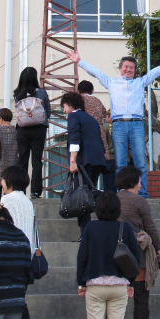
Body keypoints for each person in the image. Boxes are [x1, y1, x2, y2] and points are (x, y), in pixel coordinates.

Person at [68, 49, 160, 198]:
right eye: (126, 67)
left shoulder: (140, 82)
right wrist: (79, 61)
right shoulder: (111, 83)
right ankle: (122, 192)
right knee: (120, 163)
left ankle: (142, 193)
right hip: (118, 125)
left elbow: (155, 72)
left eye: (131, 67)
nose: (128, 70)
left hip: (136, 124)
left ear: (134, 70)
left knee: (140, 162)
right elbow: (95, 72)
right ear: (120, 68)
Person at [77, 191, 141, 319]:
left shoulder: (90, 228)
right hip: (119, 286)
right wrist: (130, 282)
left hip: (95, 286)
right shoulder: (125, 228)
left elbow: (82, 257)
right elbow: (135, 258)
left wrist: (81, 283)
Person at [116, 164, 160, 319]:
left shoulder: (112, 200)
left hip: (115, 255)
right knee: (141, 300)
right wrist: (158, 250)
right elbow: (150, 228)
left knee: (114, 301)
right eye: (139, 180)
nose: (141, 184)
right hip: (137, 257)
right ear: (133, 182)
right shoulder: (140, 202)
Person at [0, 164, 36, 319]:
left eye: (3, 178)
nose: (1, 182)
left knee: (11, 301)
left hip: (10, 255)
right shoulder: (27, 202)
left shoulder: (6, 200)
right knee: (20, 299)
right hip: (26, 256)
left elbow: (2, 227)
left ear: (10, 181)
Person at [61, 91, 107, 236]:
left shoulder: (73, 116)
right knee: (89, 193)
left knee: (81, 196)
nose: (64, 111)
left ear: (69, 105)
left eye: (64, 107)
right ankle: (106, 208)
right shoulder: (91, 119)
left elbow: (75, 138)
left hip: (83, 162)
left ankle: (86, 232)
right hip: (97, 160)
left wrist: (72, 161)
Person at [14, 67, 51, 198]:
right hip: (39, 129)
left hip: (22, 129)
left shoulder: (18, 94)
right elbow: (48, 112)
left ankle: (20, 190)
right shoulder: (41, 92)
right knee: (36, 160)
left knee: (22, 160)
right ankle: (35, 191)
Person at [78, 80, 110, 162]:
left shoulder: (78, 100)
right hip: (98, 131)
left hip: (83, 131)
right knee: (99, 158)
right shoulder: (97, 101)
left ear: (78, 91)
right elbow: (104, 111)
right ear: (92, 91)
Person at [102, 113, 117, 193]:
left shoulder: (105, 127)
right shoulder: (120, 127)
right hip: (120, 158)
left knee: (108, 184)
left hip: (109, 158)